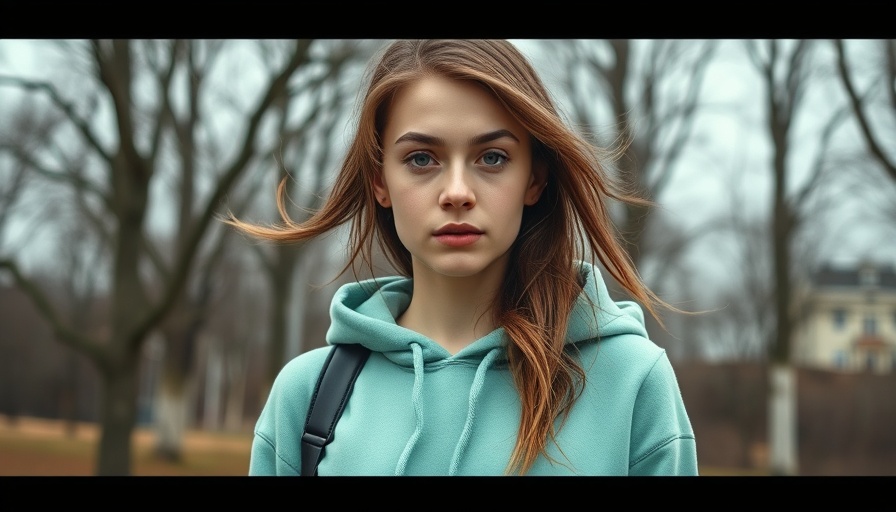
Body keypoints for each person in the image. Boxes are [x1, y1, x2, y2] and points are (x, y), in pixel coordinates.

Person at [227, 39, 698, 476]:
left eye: (492, 157)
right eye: (421, 159)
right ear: (379, 181)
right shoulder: (307, 397)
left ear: (534, 179)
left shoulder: (632, 381)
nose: (457, 193)